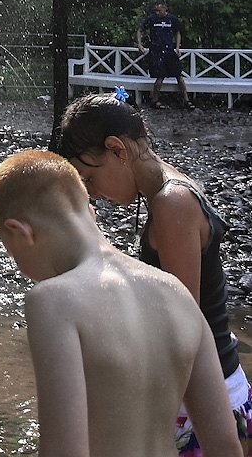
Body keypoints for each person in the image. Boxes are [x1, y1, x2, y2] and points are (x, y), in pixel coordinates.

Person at [0, 148, 243, 457]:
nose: (25, 273)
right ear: (91, 212)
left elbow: (63, 451)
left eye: (15, 257)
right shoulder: (177, 293)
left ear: (20, 231)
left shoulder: (53, 301)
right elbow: (226, 447)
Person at [59, 93, 252, 456]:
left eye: (88, 176)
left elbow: (182, 330)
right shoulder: (169, 191)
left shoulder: (171, 203)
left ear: (118, 150)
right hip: (210, 394)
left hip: (205, 408)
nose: (92, 194)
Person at [137, 0, 195, 109]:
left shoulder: (172, 19)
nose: (157, 12)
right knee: (160, 77)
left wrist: (177, 47)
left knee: (179, 75)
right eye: (156, 10)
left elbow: (178, 32)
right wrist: (140, 44)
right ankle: (154, 100)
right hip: (156, 52)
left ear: (165, 8)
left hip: (169, 51)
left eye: (159, 10)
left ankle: (186, 101)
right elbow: (140, 30)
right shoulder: (152, 19)